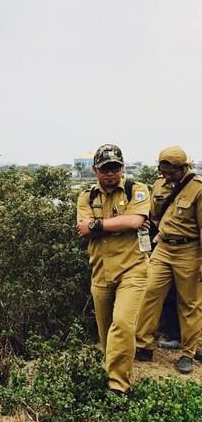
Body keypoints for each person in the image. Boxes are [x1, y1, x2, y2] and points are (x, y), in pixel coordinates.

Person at [75, 144, 150, 394]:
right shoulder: (87, 196)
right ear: (96, 170)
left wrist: (97, 225)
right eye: (106, 168)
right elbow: (82, 228)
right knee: (106, 332)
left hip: (133, 269)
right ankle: (111, 369)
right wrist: (115, 225)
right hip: (101, 271)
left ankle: (118, 386)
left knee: (123, 324)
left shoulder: (136, 190)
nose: (111, 173)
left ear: (122, 168)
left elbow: (135, 220)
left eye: (115, 167)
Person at [134, 146, 202, 374]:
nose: (166, 177)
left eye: (171, 173)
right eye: (163, 172)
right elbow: (154, 215)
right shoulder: (159, 185)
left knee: (189, 303)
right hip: (163, 248)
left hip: (189, 249)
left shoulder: (198, 189)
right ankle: (143, 345)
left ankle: (187, 353)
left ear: (183, 168)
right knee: (150, 293)